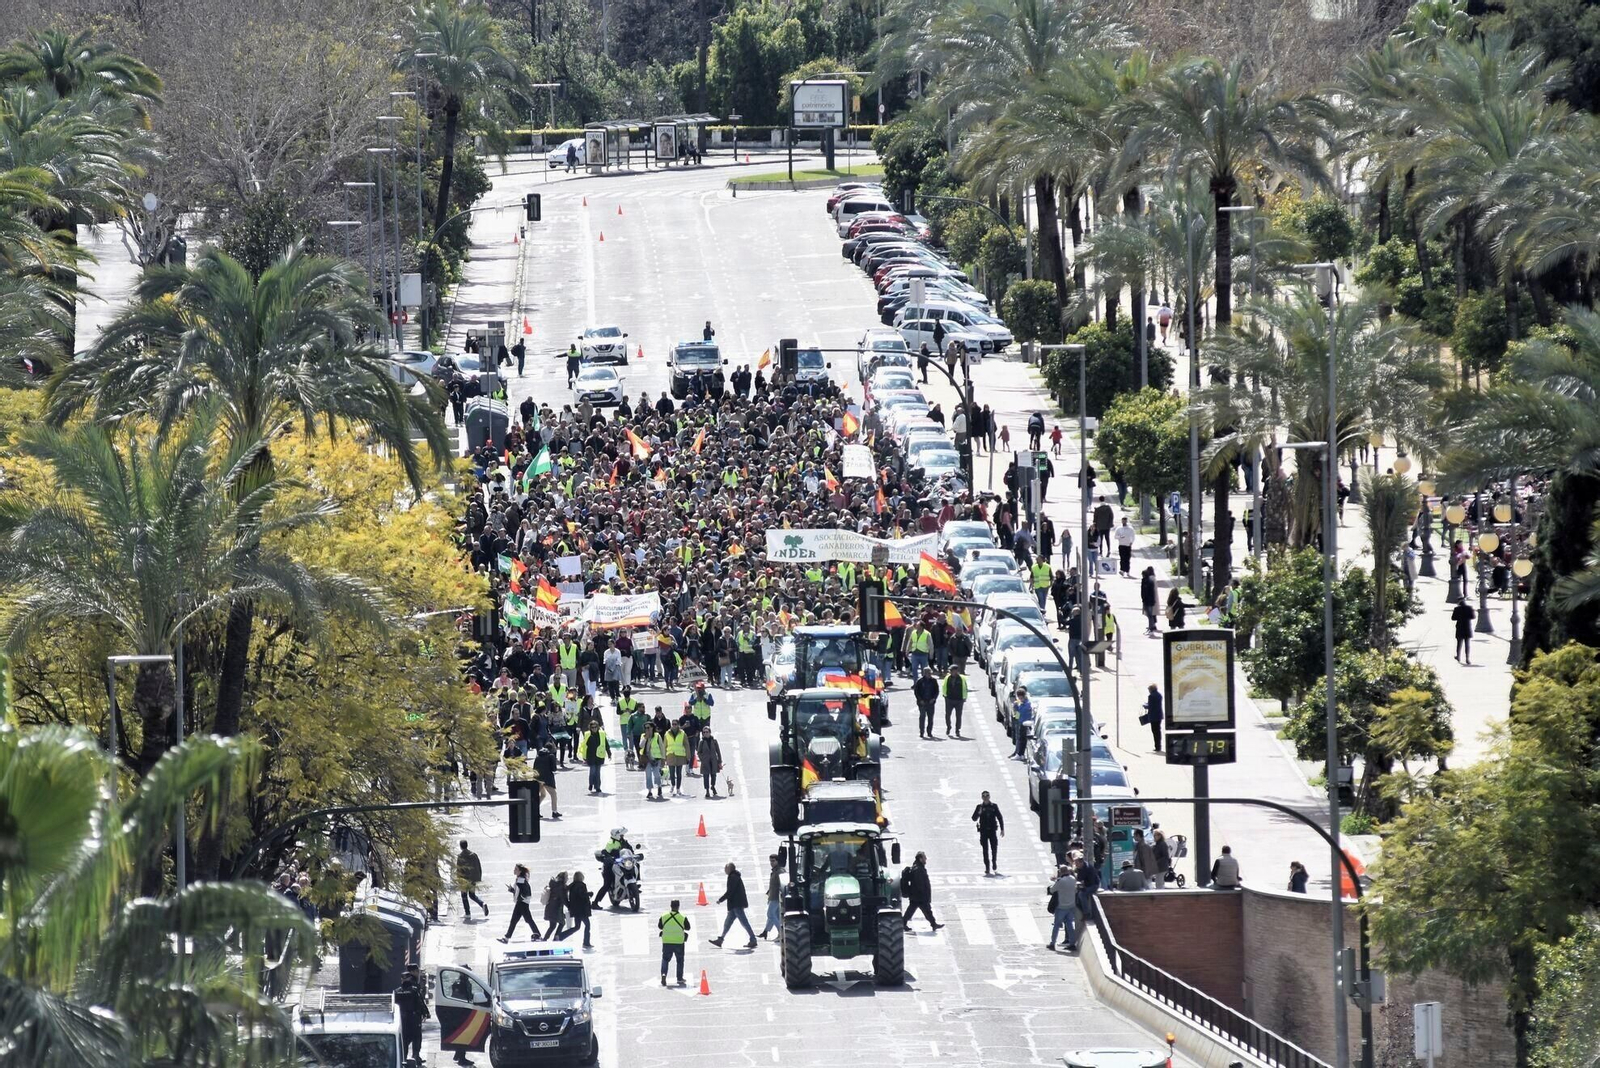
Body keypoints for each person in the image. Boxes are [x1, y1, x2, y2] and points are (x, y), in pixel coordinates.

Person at [708, 861, 757, 948]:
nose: (724, 870)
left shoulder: (733, 877)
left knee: (744, 922)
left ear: (729, 869)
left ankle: (753, 939)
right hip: (735, 904)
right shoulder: (733, 876)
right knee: (728, 923)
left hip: (736, 904)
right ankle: (720, 939)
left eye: (725, 868)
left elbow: (730, 891)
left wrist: (721, 900)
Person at [393, 966, 429, 1065]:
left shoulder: (397, 991)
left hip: (403, 1019)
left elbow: (394, 1006)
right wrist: (425, 1013)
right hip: (414, 1018)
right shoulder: (414, 990)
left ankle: (403, 1059)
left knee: (404, 1040)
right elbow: (420, 1002)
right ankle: (416, 1057)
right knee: (416, 1038)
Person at [900, 851, 943, 930]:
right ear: (920, 859)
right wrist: (924, 895)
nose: (925, 859)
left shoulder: (917, 867)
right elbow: (920, 884)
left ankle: (933, 924)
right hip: (919, 896)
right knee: (926, 911)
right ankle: (933, 924)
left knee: (914, 910)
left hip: (916, 896)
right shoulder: (918, 869)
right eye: (924, 857)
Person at [500, 863, 540, 942]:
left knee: (522, 920)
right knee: (519, 920)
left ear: (520, 871)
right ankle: (506, 938)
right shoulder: (520, 879)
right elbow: (519, 891)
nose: (514, 870)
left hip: (522, 903)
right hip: (522, 902)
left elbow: (525, 891)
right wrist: (512, 890)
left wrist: (520, 897)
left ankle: (538, 935)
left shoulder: (520, 880)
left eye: (516, 869)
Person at [658, 898, 691, 986]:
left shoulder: (664, 916)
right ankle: (679, 978)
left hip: (666, 941)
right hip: (679, 942)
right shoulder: (682, 917)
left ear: (671, 906)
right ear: (678, 906)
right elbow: (688, 928)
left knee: (665, 959)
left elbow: (660, 926)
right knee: (680, 960)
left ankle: (664, 974)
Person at [972, 790, 1005, 875]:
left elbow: (1000, 817)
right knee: (985, 850)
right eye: (984, 796)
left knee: (994, 848)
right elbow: (974, 818)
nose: (986, 797)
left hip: (992, 831)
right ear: (982, 798)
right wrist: (978, 813)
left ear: (989, 797)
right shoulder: (979, 807)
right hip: (983, 832)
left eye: (987, 796)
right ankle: (987, 866)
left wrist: (1002, 829)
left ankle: (994, 861)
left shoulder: (994, 806)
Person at [1047, 864, 1078, 951]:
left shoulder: (1061, 881)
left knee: (1056, 925)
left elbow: (1052, 890)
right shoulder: (1073, 879)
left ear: (1060, 872)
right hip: (1071, 906)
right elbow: (1075, 890)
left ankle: (1052, 943)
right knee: (1070, 925)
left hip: (1061, 906)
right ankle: (1072, 943)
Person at [456, 840, 488, 920]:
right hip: (473, 879)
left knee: (464, 896)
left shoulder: (460, 856)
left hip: (464, 879)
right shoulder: (474, 855)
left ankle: (467, 913)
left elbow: (459, 869)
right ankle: (482, 904)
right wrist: (478, 878)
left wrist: (459, 880)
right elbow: (478, 866)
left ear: (460, 846)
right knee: (472, 895)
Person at [578, 717, 609, 795]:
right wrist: (584, 756)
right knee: (592, 771)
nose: (594, 729)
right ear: (590, 728)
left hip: (599, 756)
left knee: (598, 772)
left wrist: (609, 753)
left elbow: (606, 744)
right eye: (592, 727)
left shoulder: (602, 734)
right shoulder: (588, 735)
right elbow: (584, 746)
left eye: (595, 727)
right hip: (591, 756)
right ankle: (591, 783)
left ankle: (598, 787)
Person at [564, 872, 593, 948]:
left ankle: (561, 936)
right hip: (582, 910)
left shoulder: (572, 886)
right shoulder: (581, 885)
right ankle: (586, 942)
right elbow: (582, 895)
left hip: (575, 910)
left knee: (577, 927)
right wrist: (589, 894)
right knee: (587, 925)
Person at [757, 853, 783, 939]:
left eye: (773, 861)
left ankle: (781, 932)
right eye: (770, 861)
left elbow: (782, 884)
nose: (771, 863)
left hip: (776, 897)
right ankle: (766, 932)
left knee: (771, 914)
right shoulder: (775, 871)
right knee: (774, 915)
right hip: (772, 896)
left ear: (777, 861)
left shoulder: (780, 871)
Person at [534, 741, 561, 818]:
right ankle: (554, 811)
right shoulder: (551, 756)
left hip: (538, 778)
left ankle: (535, 810)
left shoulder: (538, 756)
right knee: (553, 794)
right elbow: (554, 769)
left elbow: (534, 768)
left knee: (542, 795)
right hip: (547, 778)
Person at [664, 720, 690, 796]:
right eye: (673, 724)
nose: (674, 725)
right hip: (670, 755)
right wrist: (664, 757)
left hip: (680, 755)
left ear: (678, 725)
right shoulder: (667, 733)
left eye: (675, 724)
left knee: (679, 773)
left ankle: (678, 788)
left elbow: (686, 745)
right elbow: (664, 745)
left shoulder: (682, 733)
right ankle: (672, 785)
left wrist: (688, 756)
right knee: (671, 773)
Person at [913, 665, 939, 739]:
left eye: (929, 672)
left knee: (930, 718)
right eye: (927, 672)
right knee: (922, 717)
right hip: (922, 703)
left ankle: (929, 732)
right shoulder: (920, 681)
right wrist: (920, 700)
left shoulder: (934, 681)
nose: (928, 674)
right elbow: (916, 692)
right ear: (924, 673)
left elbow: (936, 691)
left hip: (931, 703)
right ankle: (921, 732)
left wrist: (933, 699)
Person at [697, 726, 723, 798]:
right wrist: (702, 759)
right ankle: (707, 790)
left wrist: (719, 761)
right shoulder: (701, 742)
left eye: (707, 732)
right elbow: (699, 752)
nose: (705, 733)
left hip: (713, 761)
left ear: (710, 732)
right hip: (705, 762)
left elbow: (718, 751)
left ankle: (713, 786)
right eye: (704, 732)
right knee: (705, 776)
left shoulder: (714, 741)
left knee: (713, 775)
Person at [542, 871, 568, 943]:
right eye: (567, 877)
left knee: (552, 925)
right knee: (562, 922)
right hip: (556, 909)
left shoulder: (554, 885)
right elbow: (563, 899)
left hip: (550, 907)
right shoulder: (561, 887)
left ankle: (545, 939)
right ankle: (556, 937)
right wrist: (570, 906)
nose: (567, 879)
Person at [942, 665, 967, 737]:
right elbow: (944, 686)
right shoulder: (947, 678)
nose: (951, 672)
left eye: (952, 671)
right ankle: (948, 726)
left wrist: (964, 697)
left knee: (958, 716)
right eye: (950, 671)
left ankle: (957, 730)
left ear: (956, 671)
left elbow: (965, 688)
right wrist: (945, 695)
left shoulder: (962, 678)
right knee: (947, 715)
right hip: (949, 699)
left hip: (959, 700)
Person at [1140, 683, 1163, 752]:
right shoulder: (1159, 695)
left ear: (1151, 690)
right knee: (1158, 731)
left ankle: (1157, 747)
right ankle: (1159, 746)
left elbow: (1150, 706)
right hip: (1159, 715)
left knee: (1154, 732)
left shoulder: (1151, 696)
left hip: (1153, 716)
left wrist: (1145, 706)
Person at [1140, 567, 1159, 636]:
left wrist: (1145, 599)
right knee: (1149, 615)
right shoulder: (1146, 581)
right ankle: (1151, 627)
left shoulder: (1148, 582)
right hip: (1148, 601)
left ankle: (1151, 628)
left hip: (1148, 601)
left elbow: (1147, 592)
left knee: (1150, 615)